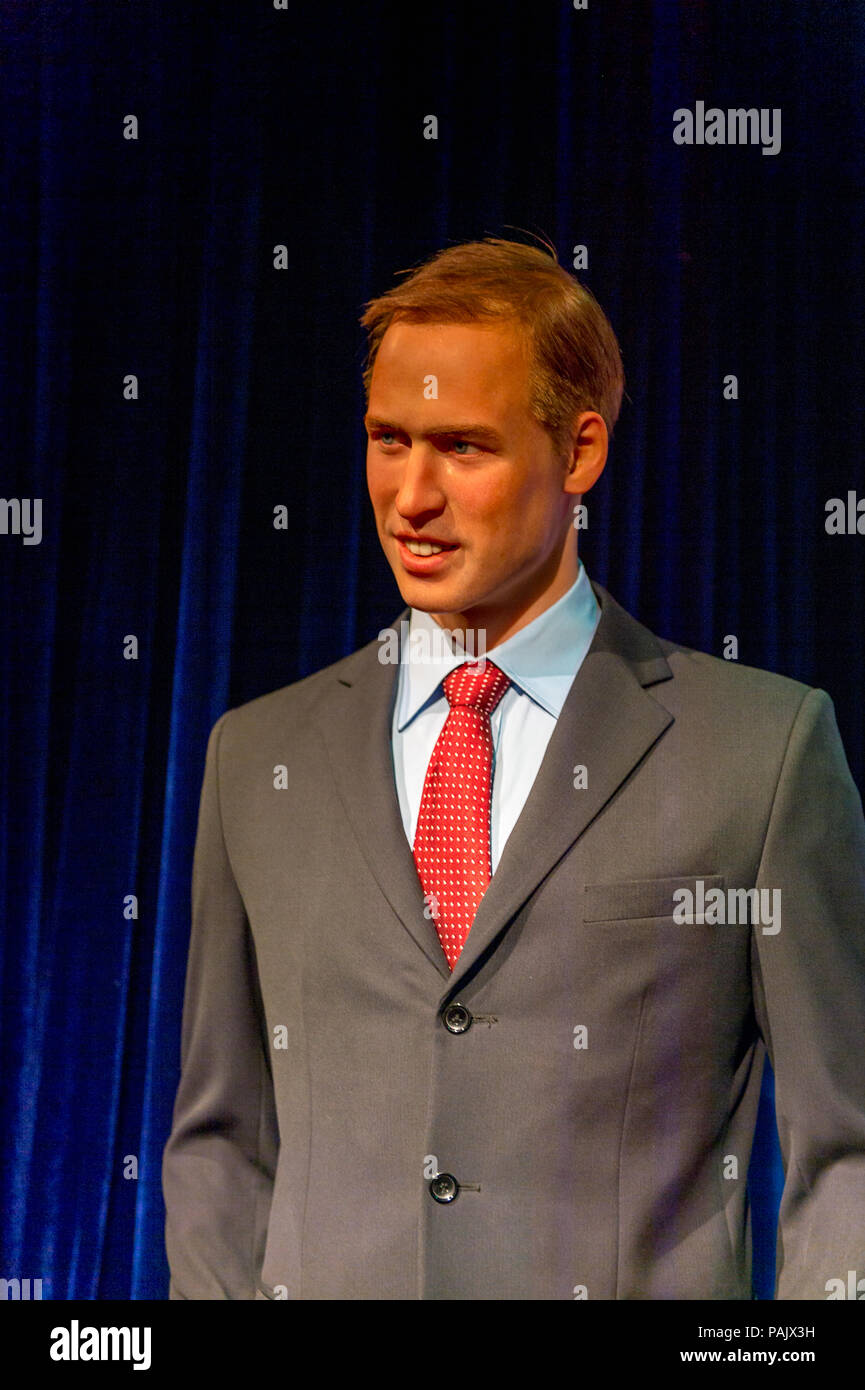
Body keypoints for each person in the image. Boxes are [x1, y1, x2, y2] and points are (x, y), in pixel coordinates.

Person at [162, 238, 865, 1300]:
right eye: (386, 439)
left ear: (579, 454)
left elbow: (843, 1153)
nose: (410, 494)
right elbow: (221, 1141)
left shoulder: (761, 753)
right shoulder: (258, 758)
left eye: (462, 447)